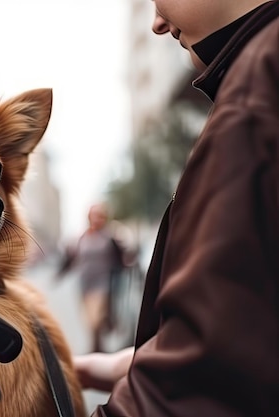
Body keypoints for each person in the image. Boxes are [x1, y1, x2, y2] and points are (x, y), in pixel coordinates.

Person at [75, 1, 279, 416]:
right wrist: (145, 362)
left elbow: (205, 389)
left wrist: (160, 373)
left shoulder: (257, 87)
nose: (156, 22)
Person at [58, 202, 129, 353]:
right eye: (94, 215)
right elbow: (71, 259)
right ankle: (100, 348)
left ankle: (94, 349)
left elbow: (123, 256)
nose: (97, 219)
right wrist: (59, 275)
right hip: (85, 286)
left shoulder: (110, 237)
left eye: (100, 215)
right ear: (89, 217)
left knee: (96, 321)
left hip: (103, 285)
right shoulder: (81, 238)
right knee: (90, 322)